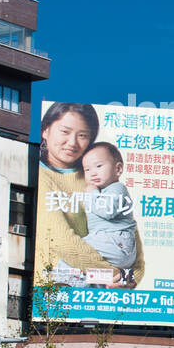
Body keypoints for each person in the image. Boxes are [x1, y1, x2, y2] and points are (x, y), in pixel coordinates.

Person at [34, 102, 144, 289]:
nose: (72, 142)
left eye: (83, 135)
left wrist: (129, 278)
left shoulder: (101, 180)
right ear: (45, 130)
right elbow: (63, 242)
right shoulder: (42, 177)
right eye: (64, 131)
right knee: (65, 275)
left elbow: (132, 242)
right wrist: (118, 275)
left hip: (105, 291)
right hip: (50, 297)